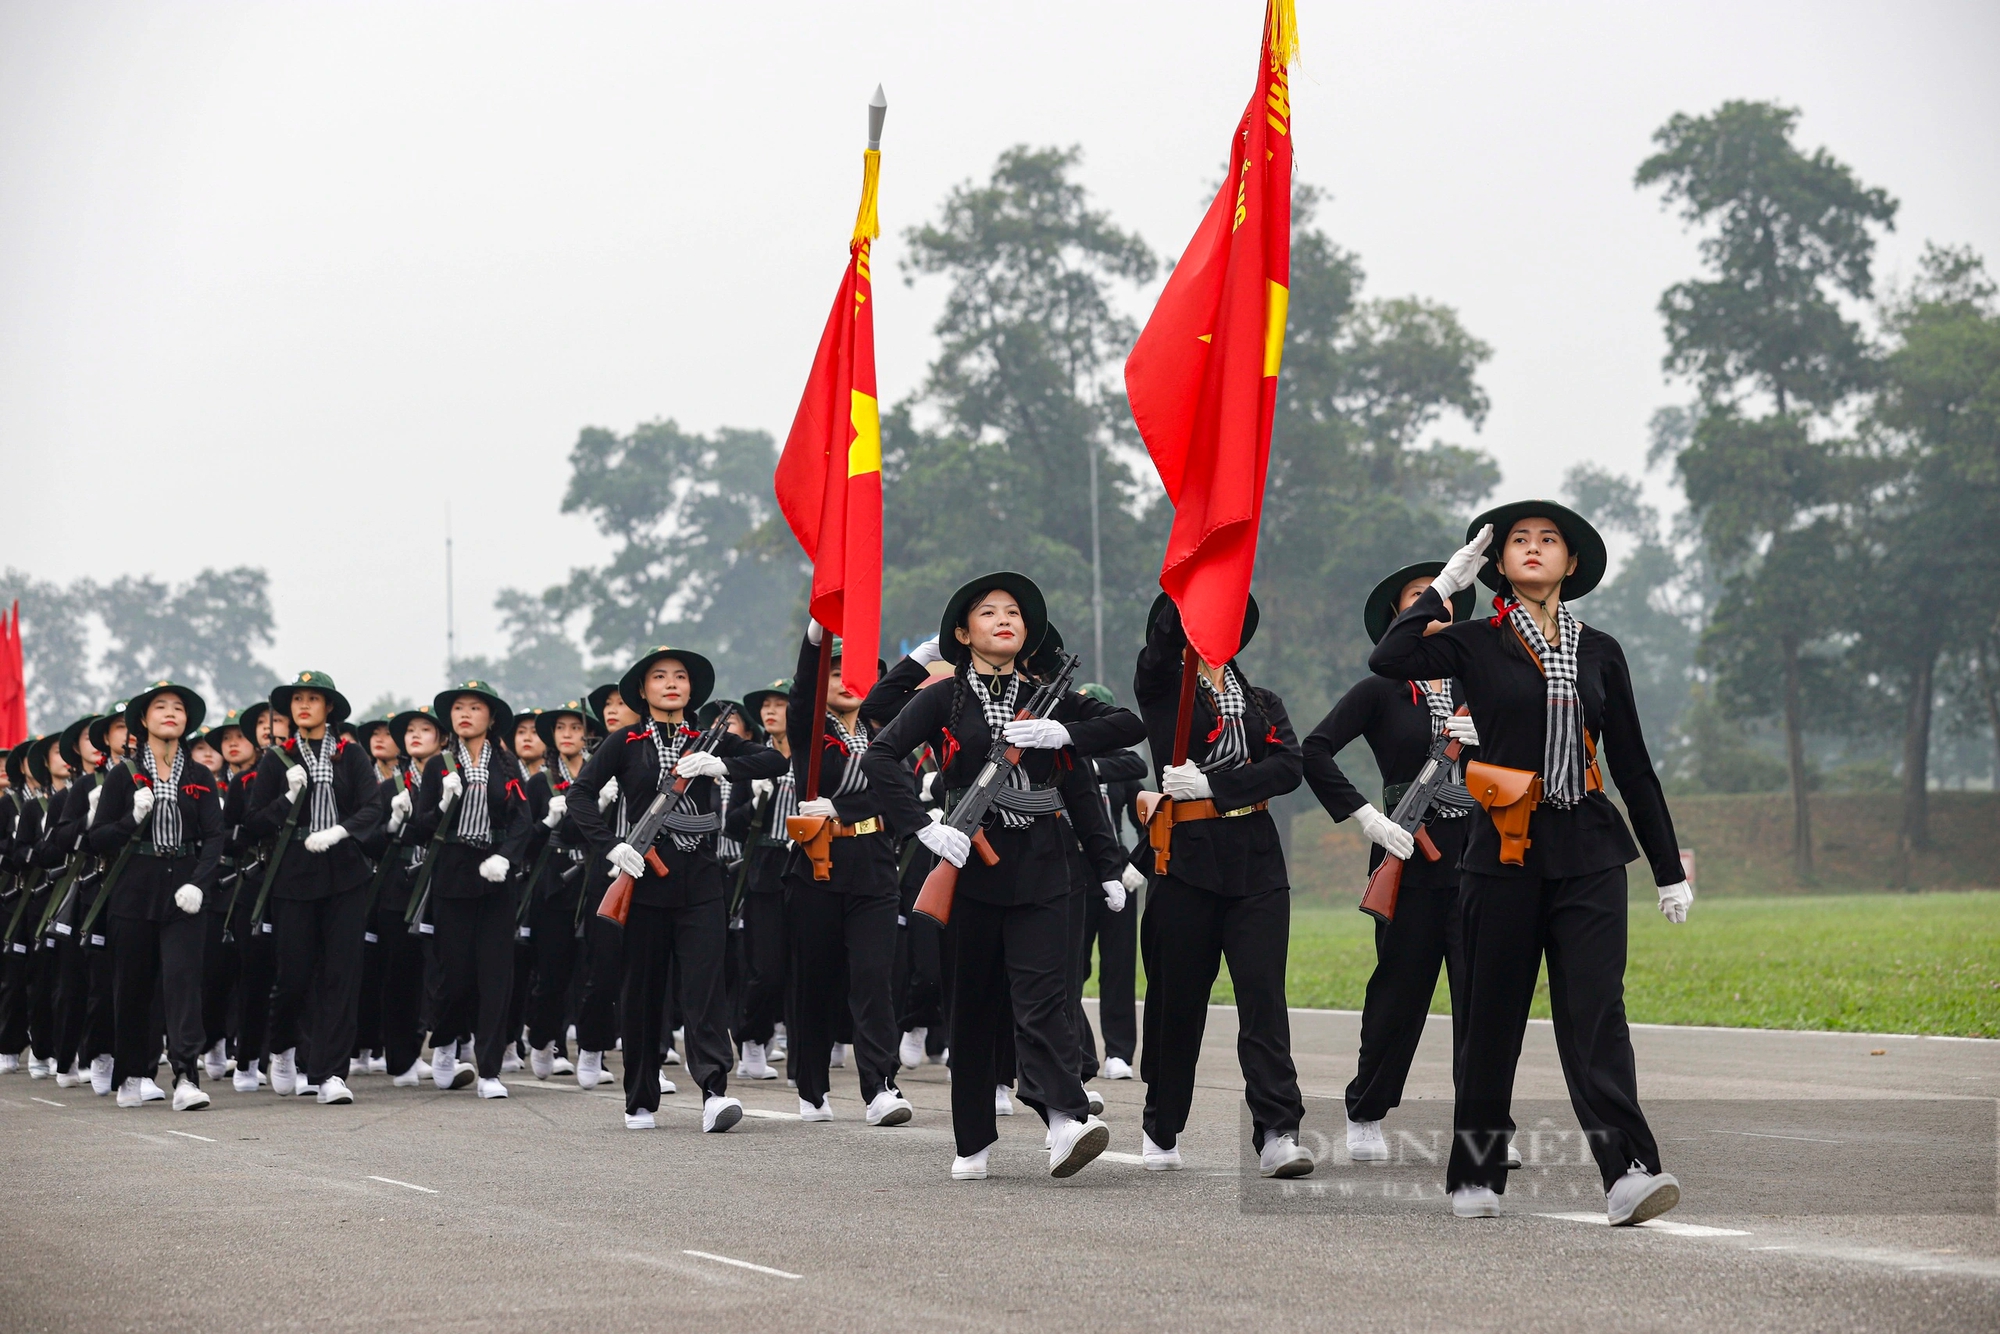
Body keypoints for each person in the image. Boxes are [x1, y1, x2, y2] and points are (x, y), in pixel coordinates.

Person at [1369, 502, 1690, 1225]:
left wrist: (1668, 870)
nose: (1536, 549)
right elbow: (1388, 659)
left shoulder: (1602, 650)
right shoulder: (1474, 640)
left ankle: (1629, 1171)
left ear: (1572, 564)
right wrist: (1445, 585)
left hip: (1590, 852)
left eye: (1550, 541)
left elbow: (1634, 766)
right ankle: (1476, 1173)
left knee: (1597, 1012)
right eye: (1520, 541)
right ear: (1501, 564)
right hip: (1502, 852)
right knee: (1491, 1017)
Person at [861, 574, 1138, 1182]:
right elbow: (880, 751)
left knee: (1044, 999)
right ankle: (972, 1142)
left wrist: (1066, 734)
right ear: (964, 634)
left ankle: (1065, 1119)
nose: (1004, 620)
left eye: (1013, 612)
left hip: (1044, 863)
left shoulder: (1048, 698)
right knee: (974, 1005)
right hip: (969, 864)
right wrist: (921, 826)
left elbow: (1126, 730)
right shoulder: (944, 698)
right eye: (988, 613)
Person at [1302, 562, 1480, 1163]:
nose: (1438, 609)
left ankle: (1481, 1127)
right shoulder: (1379, 690)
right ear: (1401, 619)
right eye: (1422, 601)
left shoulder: (1481, 683)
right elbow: (1316, 749)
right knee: (1400, 992)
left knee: (1482, 996)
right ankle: (1367, 1110)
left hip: (1481, 851)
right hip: (1406, 849)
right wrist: (1363, 815)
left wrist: (1497, 733)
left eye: (1447, 600)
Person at [1133, 593, 1313, 1178]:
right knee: (1177, 1001)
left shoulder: (1263, 702)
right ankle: (1162, 1122)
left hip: (1255, 861)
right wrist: (1189, 592)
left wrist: (1214, 788)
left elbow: (1289, 767)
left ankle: (1278, 1128)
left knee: (1263, 997)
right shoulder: (1166, 686)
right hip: (1184, 861)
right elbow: (1160, 646)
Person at [567, 646, 784, 1133]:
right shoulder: (625, 742)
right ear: (642, 690)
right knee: (643, 991)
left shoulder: (711, 741)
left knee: (705, 988)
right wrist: (611, 846)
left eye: (681, 677)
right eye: (660, 677)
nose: (672, 684)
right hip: (642, 880)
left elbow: (774, 760)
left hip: (701, 878)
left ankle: (714, 1090)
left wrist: (720, 766)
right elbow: (579, 794)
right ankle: (640, 1097)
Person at [783, 626, 913, 1127]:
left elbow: (895, 797)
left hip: (875, 864)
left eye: (855, 673)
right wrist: (816, 643)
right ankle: (812, 1088)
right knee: (816, 982)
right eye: (835, 673)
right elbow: (801, 691)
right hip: (818, 864)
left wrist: (843, 803)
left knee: (873, 978)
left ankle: (880, 1086)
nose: (845, 681)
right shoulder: (810, 731)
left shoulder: (886, 738)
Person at [244, 672, 384, 1105]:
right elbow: (252, 823)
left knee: (341, 974)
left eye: (314, 699)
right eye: (298, 699)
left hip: (343, 871)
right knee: (294, 974)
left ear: (329, 708)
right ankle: (284, 1045)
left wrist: (342, 830)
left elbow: (373, 807)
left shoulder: (351, 755)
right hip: (293, 872)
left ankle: (330, 1073)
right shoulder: (275, 759)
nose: (304, 706)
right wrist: (288, 799)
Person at [87, 681, 224, 1110]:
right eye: (160, 707)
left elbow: (216, 837)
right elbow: (98, 839)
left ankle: (186, 1075)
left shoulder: (200, 776)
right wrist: (132, 817)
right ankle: (132, 1072)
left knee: (184, 981)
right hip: (135, 886)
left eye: (178, 708)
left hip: (183, 887)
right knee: (133, 985)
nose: (170, 713)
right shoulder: (124, 774)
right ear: (142, 720)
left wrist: (197, 883)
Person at [407, 680, 530, 1100]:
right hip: (452, 875)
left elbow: (522, 820)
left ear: (490, 718)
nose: (465, 714)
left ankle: (490, 1070)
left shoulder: (507, 764)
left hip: (495, 877)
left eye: (475, 708)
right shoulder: (438, 765)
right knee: (453, 975)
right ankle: (444, 1044)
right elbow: (419, 829)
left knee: (496, 975)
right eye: (458, 707)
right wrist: (442, 806)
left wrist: (507, 857)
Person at [1073, 682, 1149, 1084]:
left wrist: (1140, 865)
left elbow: (1145, 810)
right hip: (1072, 867)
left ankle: (1119, 1051)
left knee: (1119, 964)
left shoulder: (1119, 769)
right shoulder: (1062, 761)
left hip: (1117, 868)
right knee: (1074, 963)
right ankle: (1076, 1045)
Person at [726, 678, 793, 1082]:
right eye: (765, 705)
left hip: (808, 863)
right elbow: (731, 825)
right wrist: (755, 801)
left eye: (779, 704)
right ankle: (752, 1040)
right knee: (764, 966)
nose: (770, 711)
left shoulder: (811, 756)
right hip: (764, 867)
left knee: (801, 964)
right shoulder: (753, 760)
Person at [523, 701, 592, 1079]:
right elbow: (527, 844)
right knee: (551, 973)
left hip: (592, 876)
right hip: (553, 881)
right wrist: (549, 822)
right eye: (560, 728)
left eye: (575, 727)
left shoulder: (602, 777)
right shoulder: (539, 782)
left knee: (590, 970)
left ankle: (588, 1050)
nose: (568, 734)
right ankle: (544, 1039)